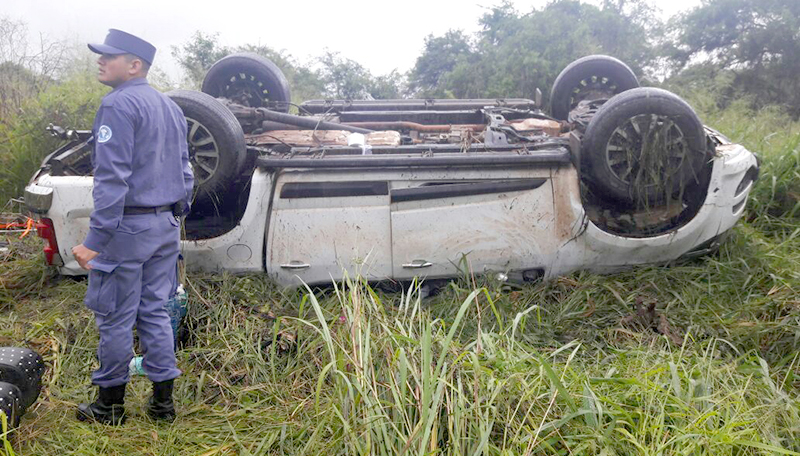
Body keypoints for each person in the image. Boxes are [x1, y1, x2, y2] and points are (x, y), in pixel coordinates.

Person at [72, 29, 194, 425]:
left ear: (134, 65)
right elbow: (186, 170)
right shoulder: (169, 106)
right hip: (164, 227)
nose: (100, 61)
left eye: (110, 56)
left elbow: (112, 179)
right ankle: (163, 405)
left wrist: (96, 239)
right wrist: (175, 215)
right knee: (155, 311)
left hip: (127, 230)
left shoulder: (118, 105)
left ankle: (109, 407)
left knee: (115, 317)